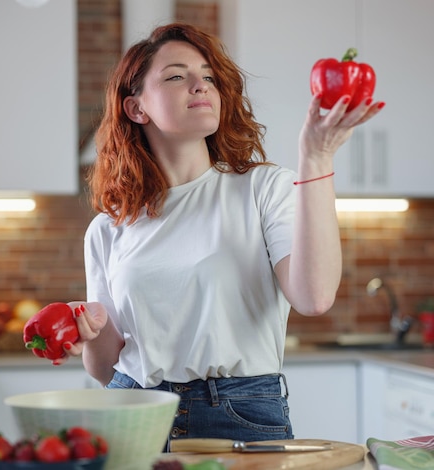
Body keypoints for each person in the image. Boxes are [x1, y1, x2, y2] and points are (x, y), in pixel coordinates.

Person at [59, 23, 384, 444]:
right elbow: (105, 369)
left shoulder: (264, 189)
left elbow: (314, 297)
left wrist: (317, 158)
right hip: (133, 411)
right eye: (177, 75)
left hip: (238, 413)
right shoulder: (107, 228)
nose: (200, 85)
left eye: (208, 76)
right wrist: (92, 328)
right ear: (136, 108)